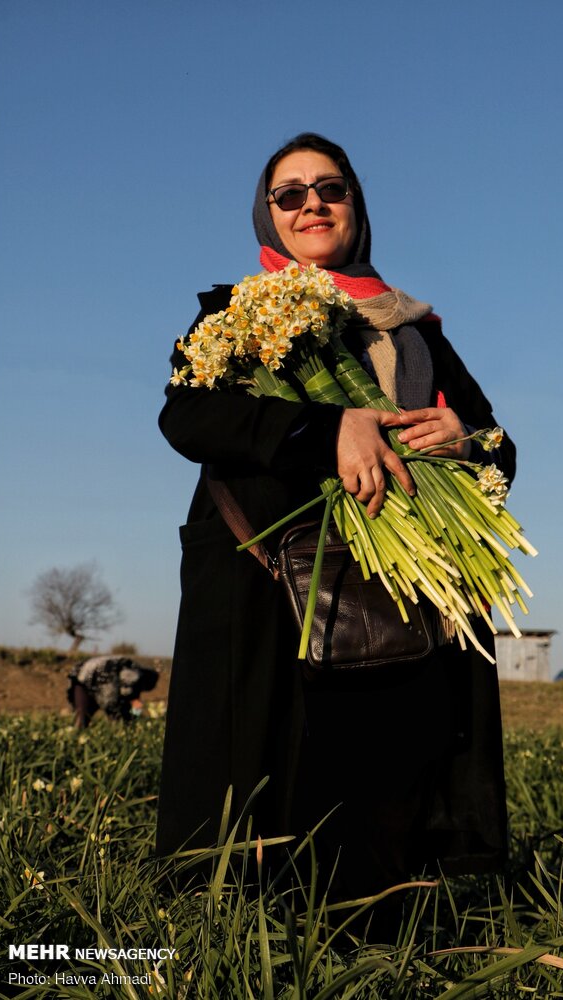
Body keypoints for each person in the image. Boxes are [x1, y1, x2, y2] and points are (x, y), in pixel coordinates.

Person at [155, 133, 516, 904]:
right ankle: (237, 933)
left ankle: (390, 921)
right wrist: (326, 430)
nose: (312, 203)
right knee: (267, 775)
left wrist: (469, 439)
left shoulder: (415, 329)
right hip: (265, 582)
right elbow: (186, 417)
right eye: (290, 193)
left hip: (400, 590)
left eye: (331, 188)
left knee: (387, 779)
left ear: (356, 206)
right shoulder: (234, 317)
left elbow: (495, 444)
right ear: (269, 216)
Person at [67, 655, 159, 729]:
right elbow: (126, 699)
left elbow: (133, 699)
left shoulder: (130, 666)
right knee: (117, 719)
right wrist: (133, 718)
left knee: (82, 718)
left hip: (81, 675)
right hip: (98, 675)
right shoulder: (136, 674)